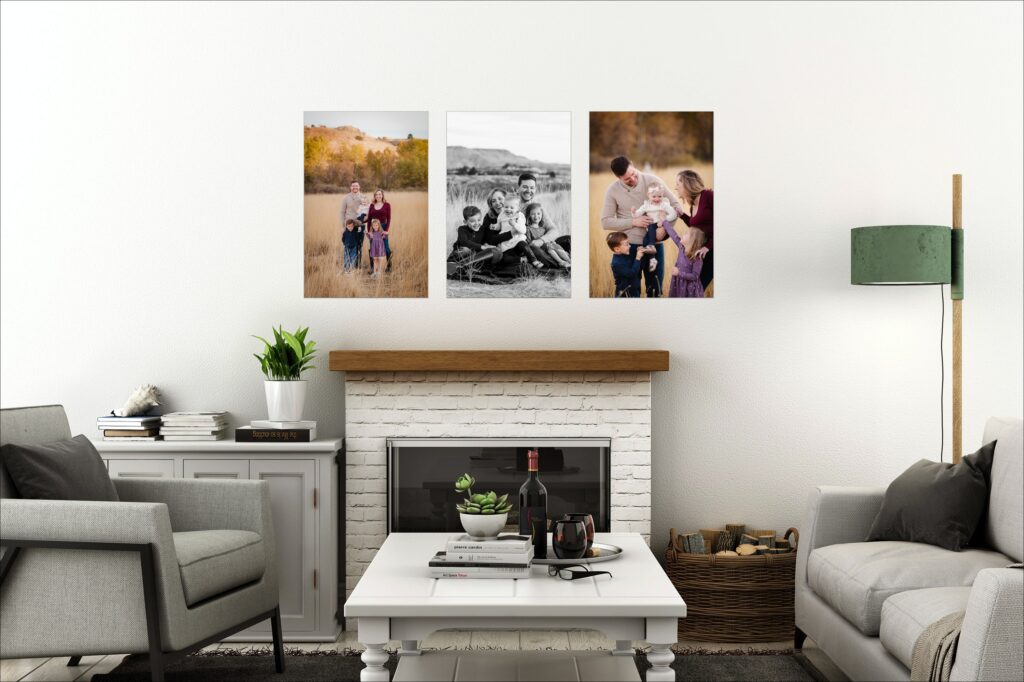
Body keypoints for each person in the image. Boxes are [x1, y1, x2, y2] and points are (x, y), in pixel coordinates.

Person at [600, 156, 685, 297]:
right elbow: (606, 221)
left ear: (633, 165)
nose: (633, 179)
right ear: (618, 178)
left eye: (634, 174)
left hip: (654, 247)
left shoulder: (652, 181)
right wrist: (633, 222)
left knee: (655, 290)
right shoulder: (612, 190)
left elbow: (676, 206)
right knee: (629, 293)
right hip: (629, 249)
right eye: (627, 179)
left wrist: (664, 230)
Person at [675, 170, 714, 292]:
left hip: (712, 251)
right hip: (701, 253)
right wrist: (682, 215)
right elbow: (696, 227)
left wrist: (708, 246)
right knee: (695, 288)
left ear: (687, 184)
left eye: (678, 184)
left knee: (698, 287)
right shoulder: (693, 204)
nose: (675, 188)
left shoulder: (708, 196)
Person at [516, 173, 566, 266]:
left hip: (544, 245)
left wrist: (541, 240)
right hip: (527, 249)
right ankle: (558, 264)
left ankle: (566, 262)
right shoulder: (513, 208)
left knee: (568, 240)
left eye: (532, 188)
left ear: (535, 189)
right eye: (525, 187)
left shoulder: (538, 208)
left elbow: (554, 230)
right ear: (518, 188)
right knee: (537, 251)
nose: (529, 190)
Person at [631, 183, 677, 272]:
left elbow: (673, 214)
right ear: (649, 195)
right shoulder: (646, 205)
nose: (657, 199)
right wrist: (633, 212)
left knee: (651, 227)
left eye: (659, 196)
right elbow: (637, 214)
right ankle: (653, 259)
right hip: (651, 228)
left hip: (659, 224)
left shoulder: (663, 204)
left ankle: (651, 245)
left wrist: (664, 221)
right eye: (654, 196)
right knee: (645, 240)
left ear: (662, 195)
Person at [496, 196, 544, 268]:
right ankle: (523, 259)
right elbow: (499, 227)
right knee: (503, 258)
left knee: (523, 244)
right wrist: (495, 227)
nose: (508, 209)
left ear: (517, 209)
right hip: (506, 245)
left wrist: (514, 224)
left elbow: (523, 230)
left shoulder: (519, 216)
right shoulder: (501, 215)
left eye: (512, 208)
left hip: (517, 243)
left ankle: (534, 260)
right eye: (506, 207)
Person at [663, 223, 706, 298]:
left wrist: (679, 273)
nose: (683, 234)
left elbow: (695, 276)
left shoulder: (697, 257)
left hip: (689, 289)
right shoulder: (681, 247)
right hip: (678, 284)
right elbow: (673, 234)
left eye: (686, 234)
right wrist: (664, 221)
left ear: (692, 240)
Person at [524, 202, 570, 268]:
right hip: (542, 249)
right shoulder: (528, 229)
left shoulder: (542, 227)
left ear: (542, 214)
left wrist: (550, 241)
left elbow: (552, 232)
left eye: (538, 214)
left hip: (549, 245)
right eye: (533, 214)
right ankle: (561, 262)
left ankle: (569, 260)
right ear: (529, 216)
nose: (536, 216)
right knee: (549, 248)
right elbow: (529, 243)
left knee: (556, 246)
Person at [607, 231, 644, 298]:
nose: (629, 246)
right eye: (626, 244)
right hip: (624, 293)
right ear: (617, 249)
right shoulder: (617, 263)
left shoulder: (625, 255)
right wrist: (638, 257)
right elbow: (631, 273)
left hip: (634, 291)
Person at [340, 180, 368, 267]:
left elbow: (367, 212)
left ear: (359, 187)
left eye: (356, 186)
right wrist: (343, 226)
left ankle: (357, 266)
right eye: (353, 186)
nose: (355, 187)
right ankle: (348, 265)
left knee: (359, 245)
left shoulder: (364, 197)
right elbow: (342, 212)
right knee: (349, 246)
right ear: (350, 187)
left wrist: (363, 222)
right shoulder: (346, 198)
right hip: (349, 226)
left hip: (360, 225)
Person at [366, 189, 392, 274]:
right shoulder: (372, 205)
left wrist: (386, 230)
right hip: (373, 229)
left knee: (387, 249)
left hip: (383, 228)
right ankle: (373, 268)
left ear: (382, 195)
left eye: (380, 194)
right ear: (375, 196)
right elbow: (369, 219)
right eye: (376, 194)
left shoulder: (387, 205)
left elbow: (389, 219)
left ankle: (389, 267)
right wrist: (369, 230)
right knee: (372, 249)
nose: (378, 196)